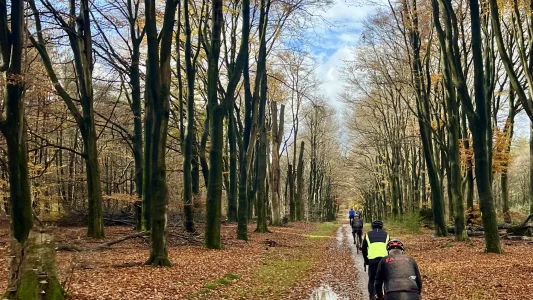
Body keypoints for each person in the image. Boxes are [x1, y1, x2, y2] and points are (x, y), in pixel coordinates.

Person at [362, 220, 389, 300]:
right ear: (382, 227)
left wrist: (366, 260)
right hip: (384, 261)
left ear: (372, 226)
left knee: (372, 279)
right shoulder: (386, 235)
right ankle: (385, 295)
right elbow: (389, 248)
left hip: (372, 261)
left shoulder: (367, 235)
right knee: (385, 279)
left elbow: (364, 249)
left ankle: (371, 297)